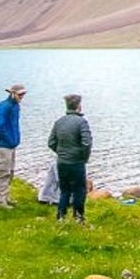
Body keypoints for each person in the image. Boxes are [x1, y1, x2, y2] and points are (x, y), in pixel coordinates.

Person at [48, 93, 93, 224]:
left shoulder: (59, 122)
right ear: (79, 106)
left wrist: (61, 153)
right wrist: (83, 157)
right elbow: (87, 143)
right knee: (80, 190)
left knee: (65, 190)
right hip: (76, 162)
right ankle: (79, 218)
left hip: (62, 162)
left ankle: (60, 217)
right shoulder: (82, 122)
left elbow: (51, 142)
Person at [0, 83, 26, 208]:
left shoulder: (15, 106)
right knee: (2, 172)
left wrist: (14, 141)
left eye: (23, 94)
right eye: (20, 94)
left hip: (11, 145)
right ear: (12, 93)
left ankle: (5, 197)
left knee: (10, 172)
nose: (22, 96)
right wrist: (9, 139)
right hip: (3, 145)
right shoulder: (4, 106)